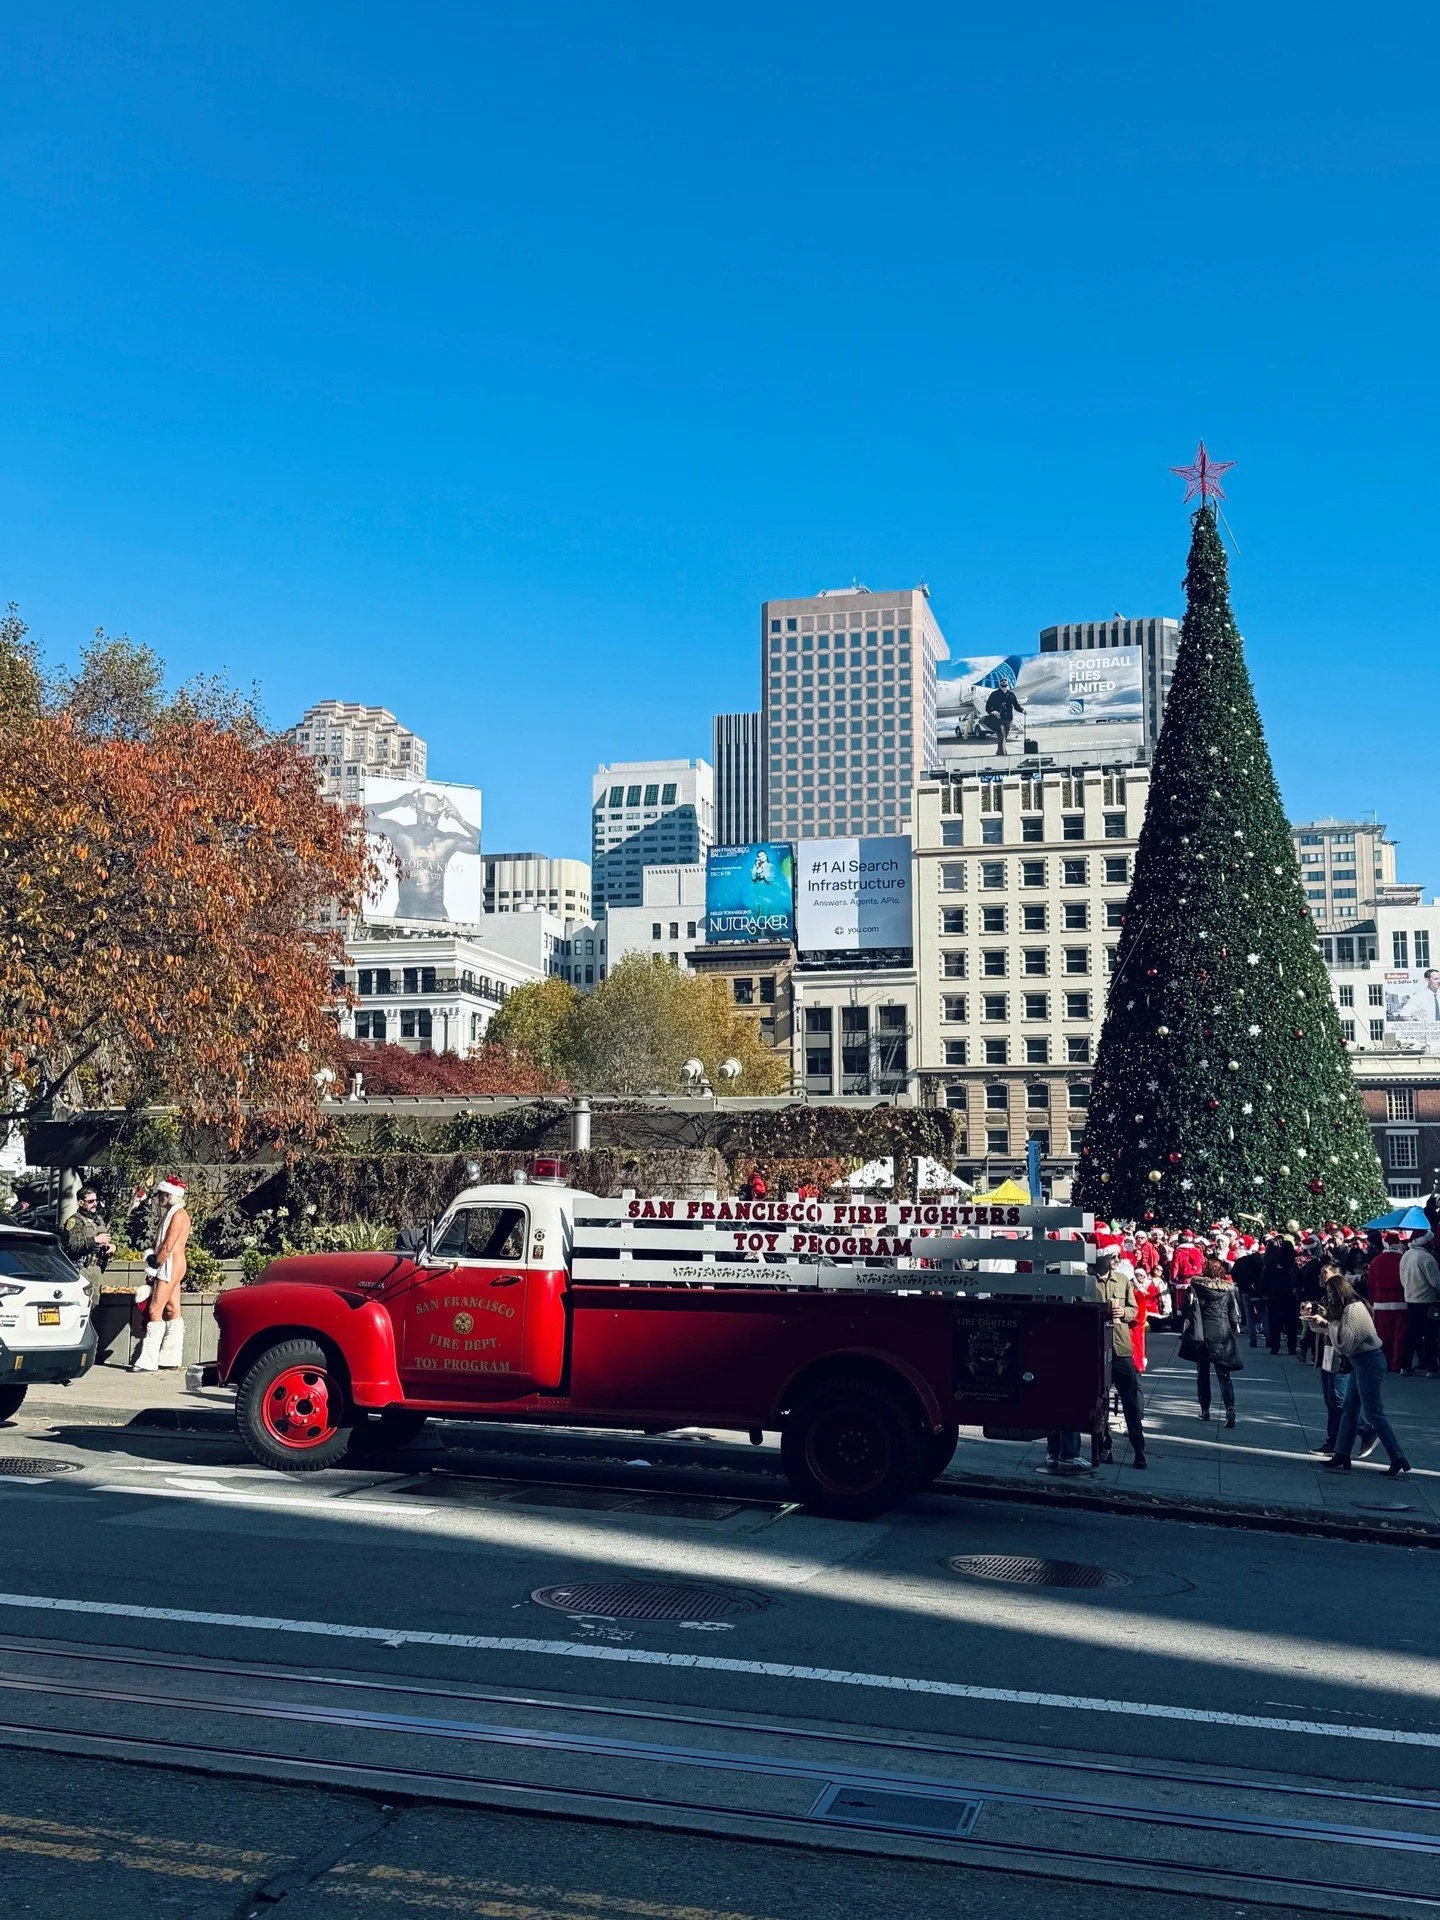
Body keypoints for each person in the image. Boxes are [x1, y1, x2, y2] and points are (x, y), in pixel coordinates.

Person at [1304, 1275, 1410, 1477]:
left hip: (1368, 1362)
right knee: (1349, 1409)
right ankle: (1342, 1454)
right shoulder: (1349, 1308)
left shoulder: (1353, 1309)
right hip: (1361, 1362)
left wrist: (1329, 1324)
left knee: (1373, 1412)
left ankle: (1398, 1458)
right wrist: (1318, 1321)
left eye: (1330, 1293)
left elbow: (1347, 1343)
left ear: (1339, 1292)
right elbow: (1339, 1333)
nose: (1329, 1298)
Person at [1310, 1262, 1378, 1458]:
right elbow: (1327, 1322)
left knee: (1338, 1398)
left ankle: (1365, 1429)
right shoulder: (1329, 1296)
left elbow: (1345, 1331)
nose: (1322, 1277)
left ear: (1339, 1276)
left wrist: (1325, 1321)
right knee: (1331, 1400)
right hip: (1326, 1350)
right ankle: (1333, 1442)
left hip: (1341, 1355)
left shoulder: (1349, 1302)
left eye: (1326, 1274)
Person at [130, 1175, 191, 1372]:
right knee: (173, 1310)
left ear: (170, 1195)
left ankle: (147, 1361)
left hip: (170, 1265)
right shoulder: (175, 1213)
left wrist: (154, 1263)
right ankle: (170, 1358)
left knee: (155, 1310)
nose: (159, 1198)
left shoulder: (178, 1215)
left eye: (162, 1194)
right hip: (174, 1264)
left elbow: (167, 1245)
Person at [1097, 1251, 1146, 1468]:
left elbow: (1134, 1310)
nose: (1114, 1260)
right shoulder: (1088, 1281)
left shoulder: (1122, 1280)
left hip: (1121, 1347)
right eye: (1110, 1257)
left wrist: (1122, 1312)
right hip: (1097, 1347)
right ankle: (1103, 1445)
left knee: (1130, 1400)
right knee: (1099, 1402)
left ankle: (1139, 1448)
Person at [1184, 1256, 1243, 1428]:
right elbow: (1233, 1315)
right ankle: (1230, 1408)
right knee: (1224, 1375)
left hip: (1203, 1334)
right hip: (1222, 1334)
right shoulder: (1228, 1290)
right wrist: (1233, 1331)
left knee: (1202, 1374)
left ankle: (1205, 1409)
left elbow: (1188, 1310)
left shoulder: (1196, 1287)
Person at [59, 1186, 114, 1305]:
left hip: (97, 1267)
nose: (95, 1204)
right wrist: (94, 1240)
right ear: (80, 1202)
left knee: (96, 1305)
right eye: (90, 1201)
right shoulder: (75, 1221)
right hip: (82, 1268)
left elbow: (104, 1238)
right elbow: (73, 1246)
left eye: (96, 1200)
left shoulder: (98, 1219)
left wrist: (111, 1246)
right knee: (81, 1303)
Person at [1363, 1232, 1409, 1372]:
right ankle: (1397, 1363)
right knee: (1400, 1335)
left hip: (1381, 1302)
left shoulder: (1376, 1260)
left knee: (1383, 1334)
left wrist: (1371, 1302)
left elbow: (1370, 1284)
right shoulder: (1403, 1259)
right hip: (1402, 1301)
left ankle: (1385, 1362)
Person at [1398, 1232, 1440, 1377]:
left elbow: (1402, 1279)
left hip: (1411, 1300)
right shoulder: (1426, 1257)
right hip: (1428, 1301)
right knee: (1430, 1335)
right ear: (1426, 1242)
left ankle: (1405, 1365)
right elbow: (1436, 1282)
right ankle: (1432, 1367)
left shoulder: (1406, 1255)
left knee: (1411, 1335)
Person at [1262, 1237, 1301, 1356]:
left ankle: (1275, 1347)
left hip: (1275, 1296)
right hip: (1291, 1296)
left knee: (1275, 1323)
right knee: (1291, 1325)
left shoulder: (1272, 1261)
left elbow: (1264, 1278)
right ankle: (1292, 1348)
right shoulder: (1296, 1261)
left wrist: (1264, 1293)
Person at [1232, 1239, 1267, 1348]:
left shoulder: (1240, 1261)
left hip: (1245, 1291)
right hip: (1258, 1291)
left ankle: (1252, 1338)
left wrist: (1241, 1284)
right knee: (1263, 1313)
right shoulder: (1261, 1262)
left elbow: (1234, 1275)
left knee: (1249, 1314)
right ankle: (1268, 1335)